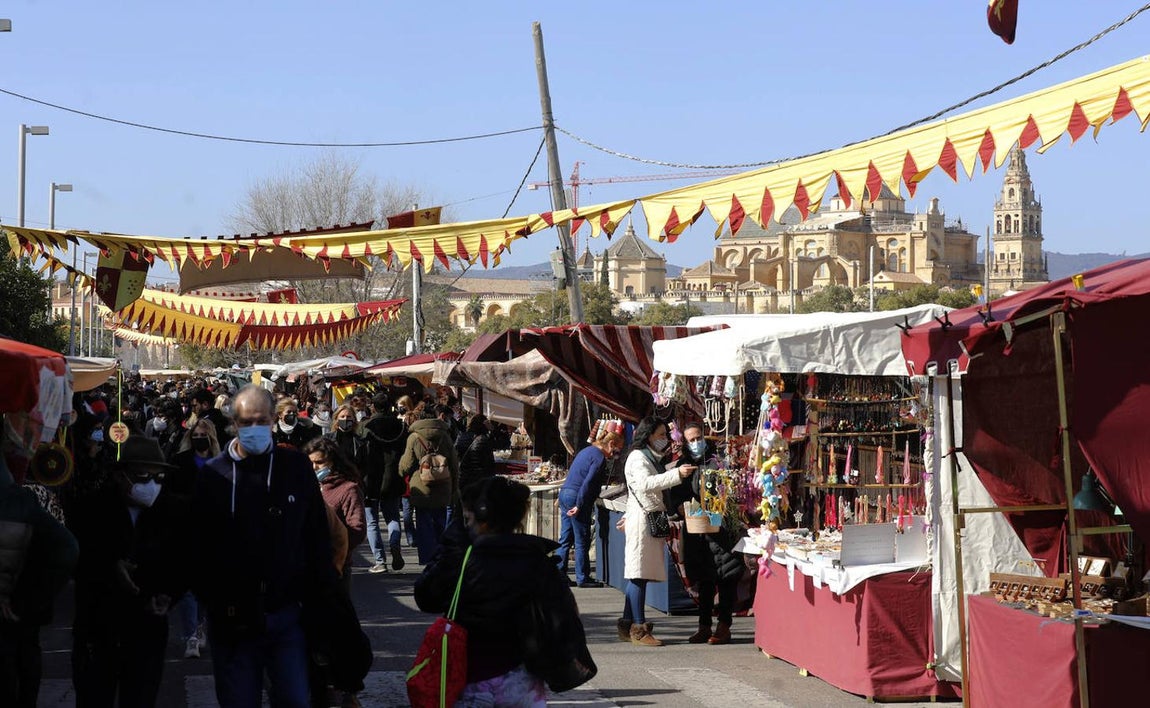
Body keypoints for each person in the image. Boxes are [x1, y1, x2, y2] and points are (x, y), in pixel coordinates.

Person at [190, 385, 337, 708]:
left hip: (286, 614)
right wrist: (212, 598)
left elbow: (316, 536)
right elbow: (197, 542)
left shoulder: (295, 468)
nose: (254, 428)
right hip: (232, 620)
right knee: (238, 700)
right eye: (246, 421)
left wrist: (322, 598)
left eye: (261, 420)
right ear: (233, 423)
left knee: (294, 699)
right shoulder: (213, 475)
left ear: (273, 420)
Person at [414, 476, 596, 705]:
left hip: (470, 679)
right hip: (522, 681)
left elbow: (426, 598)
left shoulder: (464, 560)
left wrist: (450, 546)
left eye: (468, 518)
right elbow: (564, 621)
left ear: (481, 519)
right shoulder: (538, 562)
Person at [67, 436, 189, 707]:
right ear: (122, 476)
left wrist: (168, 594)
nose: (152, 485)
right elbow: (76, 558)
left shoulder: (173, 511)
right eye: (144, 476)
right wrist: (109, 566)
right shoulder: (91, 508)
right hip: (98, 629)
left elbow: (184, 561)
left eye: (158, 478)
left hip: (147, 629)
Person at [0, 447, 79, 708]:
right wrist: (37, 596)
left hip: (19, 603)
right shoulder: (27, 498)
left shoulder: (22, 499)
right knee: (26, 658)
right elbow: (65, 547)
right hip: (26, 604)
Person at [618, 416, 694, 647]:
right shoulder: (638, 457)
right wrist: (676, 475)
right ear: (648, 435)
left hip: (647, 517)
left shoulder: (647, 457)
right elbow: (644, 484)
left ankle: (628, 621)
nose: (665, 439)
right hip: (643, 520)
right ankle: (638, 627)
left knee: (640, 572)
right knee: (639, 574)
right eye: (661, 435)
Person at [666, 422, 743, 645]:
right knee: (705, 580)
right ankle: (704, 626)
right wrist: (680, 507)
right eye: (690, 440)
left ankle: (724, 626)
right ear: (685, 443)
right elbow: (675, 495)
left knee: (726, 577)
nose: (696, 443)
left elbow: (728, 492)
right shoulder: (683, 465)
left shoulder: (717, 462)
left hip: (721, 531)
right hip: (697, 532)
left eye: (698, 438)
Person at [168, 419, 220, 659]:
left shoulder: (222, 463)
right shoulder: (180, 462)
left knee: (207, 584)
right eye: (196, 434)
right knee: (188, 585)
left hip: (213, 531)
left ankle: (200, 625)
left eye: (204, 435)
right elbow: (171, 493)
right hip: (186, 528)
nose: (200, 438)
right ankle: (190, 635)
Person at [555, 431, 624, 588]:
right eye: (617, 449)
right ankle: (582, 577)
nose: (616, 454)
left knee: (565, 538)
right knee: (581, 539)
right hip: (576, 496)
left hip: (566, 493)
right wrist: (579, 504)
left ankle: (559, 574)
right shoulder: (599, 457)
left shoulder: (586, 451)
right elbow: (588, 482)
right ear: (611, 444)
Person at [399, 405, 459, 565]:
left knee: (424, 524)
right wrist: (455, 487)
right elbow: (454, 463)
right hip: (443, 484)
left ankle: (427, 558)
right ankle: (441, 556)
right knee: (441, 521)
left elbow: (406, 464)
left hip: (421, 486)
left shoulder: (414, 437)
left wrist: (402, 472)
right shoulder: (445, 436)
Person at [302, 437, 366, 584]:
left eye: (319, 462)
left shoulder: (348, 489)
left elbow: (358, 529)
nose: (314, 467)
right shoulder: (304, 487)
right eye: (309, 462)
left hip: (335, 567)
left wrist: (336, 551)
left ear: (333, 462)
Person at [361, 392, 407, 574]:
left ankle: (380, 561)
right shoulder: (401, 427)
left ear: (373, 406)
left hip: (370, 479)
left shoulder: (366, 426)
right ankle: (395, 544)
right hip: (393, 477)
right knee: (393, 517)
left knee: (372, 522)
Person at [455, 414, 495, 492]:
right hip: (478, 479)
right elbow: (486, 463)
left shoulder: (461, 436)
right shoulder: (482, 439)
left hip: (462, 476)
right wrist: (492, 430)